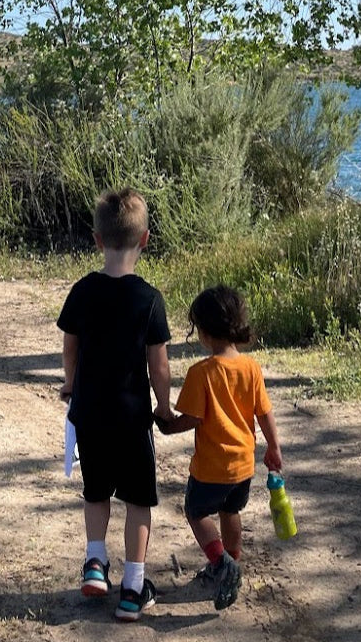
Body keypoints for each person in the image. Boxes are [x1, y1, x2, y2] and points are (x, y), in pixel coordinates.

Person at [57, 188, 174, 622]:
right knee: (139, 500)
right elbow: (158, 366)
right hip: (131, 419)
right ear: (144, 240)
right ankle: (133, 586)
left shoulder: (83, 291)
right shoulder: (149, 299)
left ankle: (94, 560)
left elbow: (71, 345)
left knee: (95, 490)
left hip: (89, 414)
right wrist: (163, 406)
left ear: (97, 239)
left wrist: (71, 385)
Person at [156, 284, 283, 611]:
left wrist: (168, 425)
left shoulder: (202, 373)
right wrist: (274, 447)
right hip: (243, 466)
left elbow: (193, 419)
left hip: (212, 467)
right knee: (231, 511)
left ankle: (222, 563)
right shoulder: (251, 367)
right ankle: (233, 560)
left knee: (196, 513)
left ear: (204, 331)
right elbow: (264, 411)